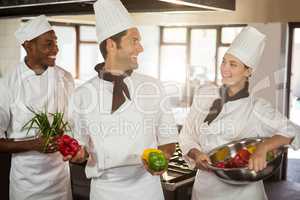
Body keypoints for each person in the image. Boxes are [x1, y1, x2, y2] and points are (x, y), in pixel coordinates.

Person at [64, 0, 178, 200]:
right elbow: (79, 148)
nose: (140, 48)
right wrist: (75, 154)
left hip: (147, 191)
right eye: (134, 40)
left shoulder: (154, 87)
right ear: (111, 44)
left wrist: (162, 158)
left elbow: (168, 141)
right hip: (105, 192)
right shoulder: (82, 95)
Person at [179, 26, 300, 200]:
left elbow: (293, 131)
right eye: (223, 61)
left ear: (248, 71)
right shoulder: (204, 95)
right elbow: (187, 135)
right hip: (204, 190)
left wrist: (263, 147)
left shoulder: (257, 107)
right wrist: (196, 154)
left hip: (241, 194)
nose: (224, 69)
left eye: (233, 64)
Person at [0, 15, 74, 200]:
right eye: (48, 44)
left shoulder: (65, 78)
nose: (56, 48)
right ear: (28, 46)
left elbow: (75, 123)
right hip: (26, 183)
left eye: (55, 42)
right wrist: (34, 144)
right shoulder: (8, 83)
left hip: (59, 179)